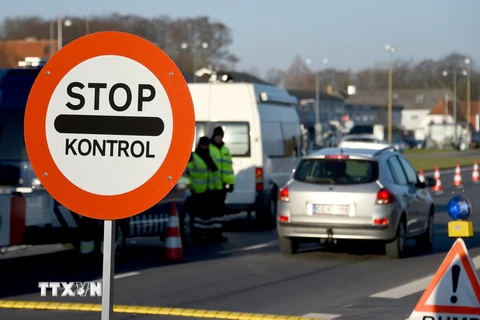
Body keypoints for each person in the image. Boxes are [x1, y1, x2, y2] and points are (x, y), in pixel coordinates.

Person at [186, 136, 223, 244]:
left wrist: (218, 188)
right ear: (199, 145)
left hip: (209, 191)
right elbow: (187, 174)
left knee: (209, 217)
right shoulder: (193, 157)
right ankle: (198, 237)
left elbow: (215, 173)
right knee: (198, 217)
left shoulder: (210, 156)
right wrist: (190, 188)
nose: (205, 147)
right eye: (203, 145)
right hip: (197, 192)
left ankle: (209, 236)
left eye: (206, 145)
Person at [209, 126, 235, 242]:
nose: (219, 138)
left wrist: (231, 183)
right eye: (217, 135)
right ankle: (210, 234)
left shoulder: (225, 150)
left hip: (222, 187)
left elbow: (229, 169)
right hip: (210, 186)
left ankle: (218, 233)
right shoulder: (209, 149)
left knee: (219, 213)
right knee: (211, 212)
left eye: (220, 136)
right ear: (214, 136)